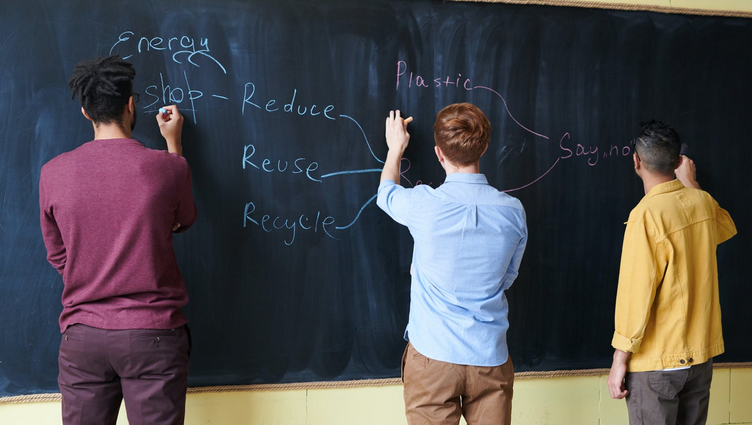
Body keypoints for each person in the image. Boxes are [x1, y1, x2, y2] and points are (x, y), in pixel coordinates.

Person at [39, 55, 197, 425]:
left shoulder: (53, 173)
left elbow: (57, 255)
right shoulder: (167, 167)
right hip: (153, 334)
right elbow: (184, 219)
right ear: (131, 105)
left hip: (83, 336)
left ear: (85, 112)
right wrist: (173, 144)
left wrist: (94, 273)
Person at [377, 104, 527, 425]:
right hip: (489, 357)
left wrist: (395, 149)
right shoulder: (513, 211)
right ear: (484, 148)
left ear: (438, 153)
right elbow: (507, 277)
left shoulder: (423, 204)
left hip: (433, 356)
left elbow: (386, 194)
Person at [607, 121, 736, 424]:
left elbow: (635, 295)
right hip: (700, 359)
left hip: (657, 363)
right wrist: (691, 183)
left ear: (636, 161)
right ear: (679, 162)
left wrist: (619, 359)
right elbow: (725, 227)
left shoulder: (645, 216)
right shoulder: (702, 202)